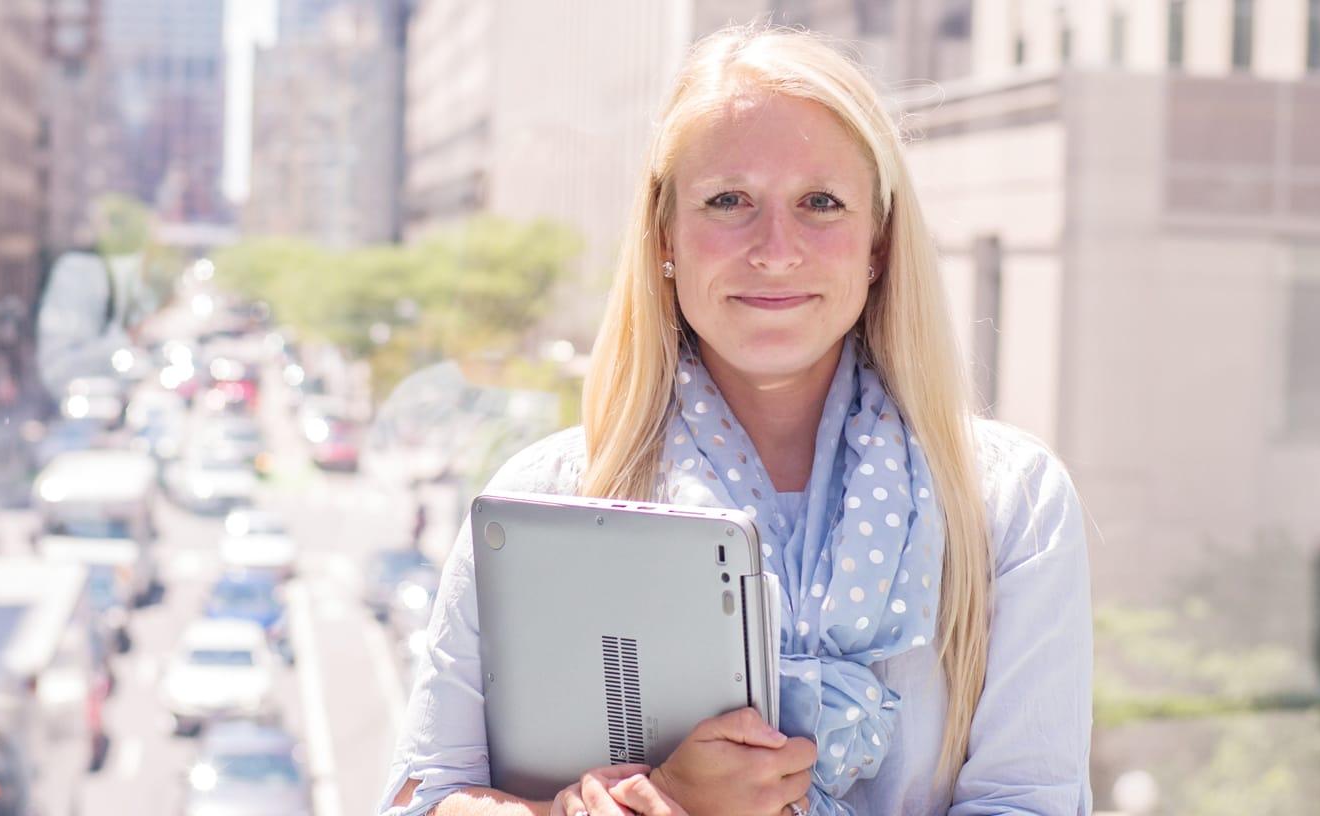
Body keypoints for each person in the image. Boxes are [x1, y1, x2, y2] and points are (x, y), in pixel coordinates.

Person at [380, 23, 1092, 816]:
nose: (776, 248)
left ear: (878, 245)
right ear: (665, 239)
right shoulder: (549, 499)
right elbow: (424, 796)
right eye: (729, 201)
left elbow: (1029, 800)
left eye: (820, 202)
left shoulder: (1005, 502)